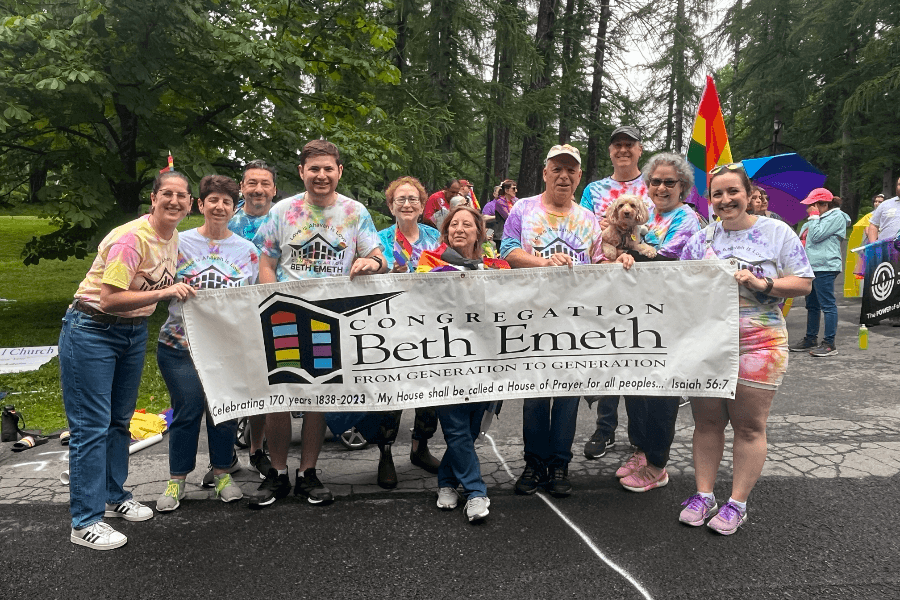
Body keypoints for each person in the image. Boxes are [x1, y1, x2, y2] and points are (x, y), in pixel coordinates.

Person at [61, 170, 196, 550]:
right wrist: (169, 291)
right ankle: (85, 520)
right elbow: (109, 298)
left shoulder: (171, 238)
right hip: (92, 330)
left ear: (189, 203)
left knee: (119, 421)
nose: (173, 201)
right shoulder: (132, 239)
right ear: (152, 198)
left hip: (132, 333)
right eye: (166, 194)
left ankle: (114, 495)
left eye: (181, 196)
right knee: (91, 426)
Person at [678, 162, 813, 535]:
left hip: (760, 342)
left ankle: (737, 503)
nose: (725, 199)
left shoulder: (777, 232)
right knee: (706, 423)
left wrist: (762, 283)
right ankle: (703, 495)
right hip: (708, 343)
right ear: (710, 200)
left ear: (748, 194)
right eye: (717, 194)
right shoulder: (701, 240)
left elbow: (803, 284)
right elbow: (677, 284)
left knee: (749, 426)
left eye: (732, 191)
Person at [252, 139, 386, 508]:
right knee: (279, 396)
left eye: (328, 168)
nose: (321, 175)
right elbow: (266, 259)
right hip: (282, 314)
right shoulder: (282, 211)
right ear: (302, 172)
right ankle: (277, 473)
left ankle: (307, 474)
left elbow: (378, 256)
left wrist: (371, 263)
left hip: (331, 318)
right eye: (314, 169)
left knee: (318, 397)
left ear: (339, 171)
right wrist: (269, 296)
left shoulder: (355, 212)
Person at [501, 143, 633, 498]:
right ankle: (533, 462)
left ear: (578, 176)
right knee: (534, 395)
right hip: (531, 317)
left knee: (568, 395)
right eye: (556, 169)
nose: (563, 175)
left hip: (575, 321)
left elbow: (596, 260)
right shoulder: (523, 209)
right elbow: (507, 250)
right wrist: (542, 262)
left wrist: (617, 262)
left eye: (570, 170)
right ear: (545, 173)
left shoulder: (588, 218)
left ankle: (559, 463)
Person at [156, 175, 260, 511]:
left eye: (227, 202)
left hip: (226, 347)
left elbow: (252, 301)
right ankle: (177, 481)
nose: (219, 206)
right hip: (178, 344)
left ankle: (222, 474)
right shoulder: (178, 242)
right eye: (212, 200)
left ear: (234, 208)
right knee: (186, 411)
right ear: (200, 205)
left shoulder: (247, 251)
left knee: (224, 412)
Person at [616, 152, 701, 492]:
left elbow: (668, 253)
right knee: (635, 385)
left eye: (670, 182)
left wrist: (629, 249)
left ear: (683, 187)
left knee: (662, 391)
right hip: (635, 314)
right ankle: (640, 449)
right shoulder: (645, 218)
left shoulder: (686, 218)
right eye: (655, 181)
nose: (661, 187)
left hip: (668, 315)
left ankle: (657, 465)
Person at [421, 205, 509, 522]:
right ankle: (475, 492)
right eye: (453, 224)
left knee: (470, 430)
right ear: (445, 233)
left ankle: (446, 482)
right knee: (456, 429)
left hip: (487, 360)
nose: (459, 228)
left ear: (479, 232)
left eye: (467, 224)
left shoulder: (498, 266)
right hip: (446, 359)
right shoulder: (428, 263)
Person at [355, 176, 443, 488]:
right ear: (391, 206)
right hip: (390, 328)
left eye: (413, 199)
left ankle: (421, 447)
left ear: (422, 205)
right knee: (393, 392)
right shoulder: (378, 241)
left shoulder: (435, 237)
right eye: (400, 200)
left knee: (430, 391)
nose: (407, 204)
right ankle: (386, 453)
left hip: (431, 326)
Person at [580, 125, 650, 461]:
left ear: (640, 149)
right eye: (617, 145)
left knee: (641, 350)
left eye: (629, 145)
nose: (623, 150)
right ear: (610, 152)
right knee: (608, 352)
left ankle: (640, 434)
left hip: (646, 280)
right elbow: (586, 227)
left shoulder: (655, 185)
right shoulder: (595, 189)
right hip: (606, 279)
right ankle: (605, 428)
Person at [227, 159, 279, 483]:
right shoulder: (228, 223)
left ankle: (258, 450)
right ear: (242, 187)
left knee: (265, 385)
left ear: (274, 189)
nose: (258, 189)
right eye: (252, 183)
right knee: (231, 385)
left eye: (265, 183)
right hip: (235, 314)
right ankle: (223, 457)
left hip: (275, 311)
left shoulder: (286, 221)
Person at [790, 189, 850, 357]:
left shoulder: (836, 217)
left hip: (825, 266)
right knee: (812, 305)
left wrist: (814, 216)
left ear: (823, 205)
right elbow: (803, 239)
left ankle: (829, 343)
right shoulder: (813, 220)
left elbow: (815, 236)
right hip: (810, 267)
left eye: (811, 205)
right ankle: (810, 338)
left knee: (828, 305)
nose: (808, 209)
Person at [481, 179, 518, 244]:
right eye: (514, 189)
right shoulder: (497, 203)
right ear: (506, 190)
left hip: (512, 234)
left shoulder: (514, 201)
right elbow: (508, 217)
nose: (516, 191)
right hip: (500, 234)